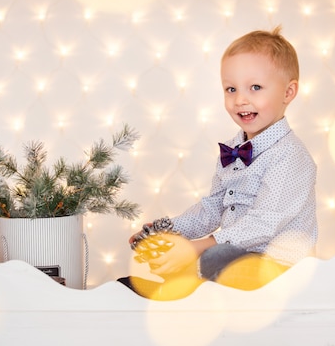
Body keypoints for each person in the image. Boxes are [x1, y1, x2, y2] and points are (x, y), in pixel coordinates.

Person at [119, 26, 317, 300]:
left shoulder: (291, 155)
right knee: (197, 254)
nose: (240, 100)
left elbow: (263, 223)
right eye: (231, 89)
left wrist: (198, 248)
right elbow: (212, 208)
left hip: (279, 268)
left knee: (214, 256)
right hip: (233, 256)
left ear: (288, 92)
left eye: (255, 87)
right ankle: (172, 286)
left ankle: (183, 285)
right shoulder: (234, 150)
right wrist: (168, 231)